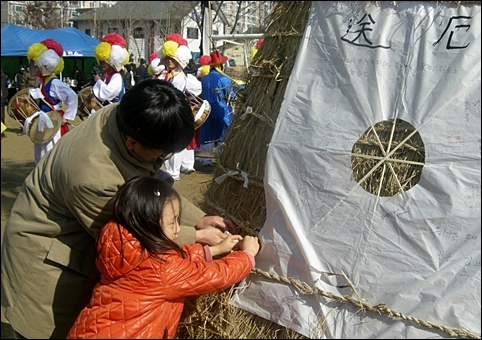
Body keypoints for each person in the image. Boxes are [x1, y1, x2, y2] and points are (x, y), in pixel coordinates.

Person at [1, 79, 238, 339]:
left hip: (75, 252)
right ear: (131, 144)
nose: (162, 162)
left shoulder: (125, 115)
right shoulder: (92, 177)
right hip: (46, 267)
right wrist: (198, 237)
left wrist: (201, 219)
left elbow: (153, 190)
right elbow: (140, 237)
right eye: (161, 155)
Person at [66, 175, 259, 338]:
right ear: (150, 226)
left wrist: (213, 251)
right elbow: (212, 275)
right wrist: (246, 256)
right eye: (172, 222)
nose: (177, 229)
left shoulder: (125, 247)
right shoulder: (162, 270)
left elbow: (172, 260)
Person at [26, 38, 78, 163]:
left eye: (37, 65)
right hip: (44, 119)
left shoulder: (54, 82)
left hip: (53, 121)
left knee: (51, 153)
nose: (35, 68)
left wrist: (66, 117)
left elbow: (72, 96)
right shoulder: (43, 82)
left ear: (44, 65)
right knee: (41, 152)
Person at [159, 33, 194, 181]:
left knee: (173, 141)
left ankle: (173, 171)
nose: (168, 62)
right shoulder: (168, 75)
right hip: (168, 109)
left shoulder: (179, 77)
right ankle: (170, 170)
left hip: (174, 110)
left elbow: (173, 93)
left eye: (172, 59)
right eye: (167, 58)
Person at [197, 50, 239, 166]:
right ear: (221, 66)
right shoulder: (225, 79)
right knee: (224, 133)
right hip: (221, 110)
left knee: (207, 134)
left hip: (206, 109)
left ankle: (204, 159)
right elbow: (231, 95)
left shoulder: (204, 78)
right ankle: (222, 159)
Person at [92, 32, 128, 105]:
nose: (101, 64)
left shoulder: (116, 76)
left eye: (103, 61)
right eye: (100, 61)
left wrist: (98, 81)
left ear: (110, 62)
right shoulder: (107, 75)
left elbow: (107, 93)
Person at [1, 70, 8, 138]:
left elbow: (6, 87)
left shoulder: (3, 77)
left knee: (2, 117)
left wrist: (5, 95)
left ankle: (2, 132)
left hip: (1, 100)